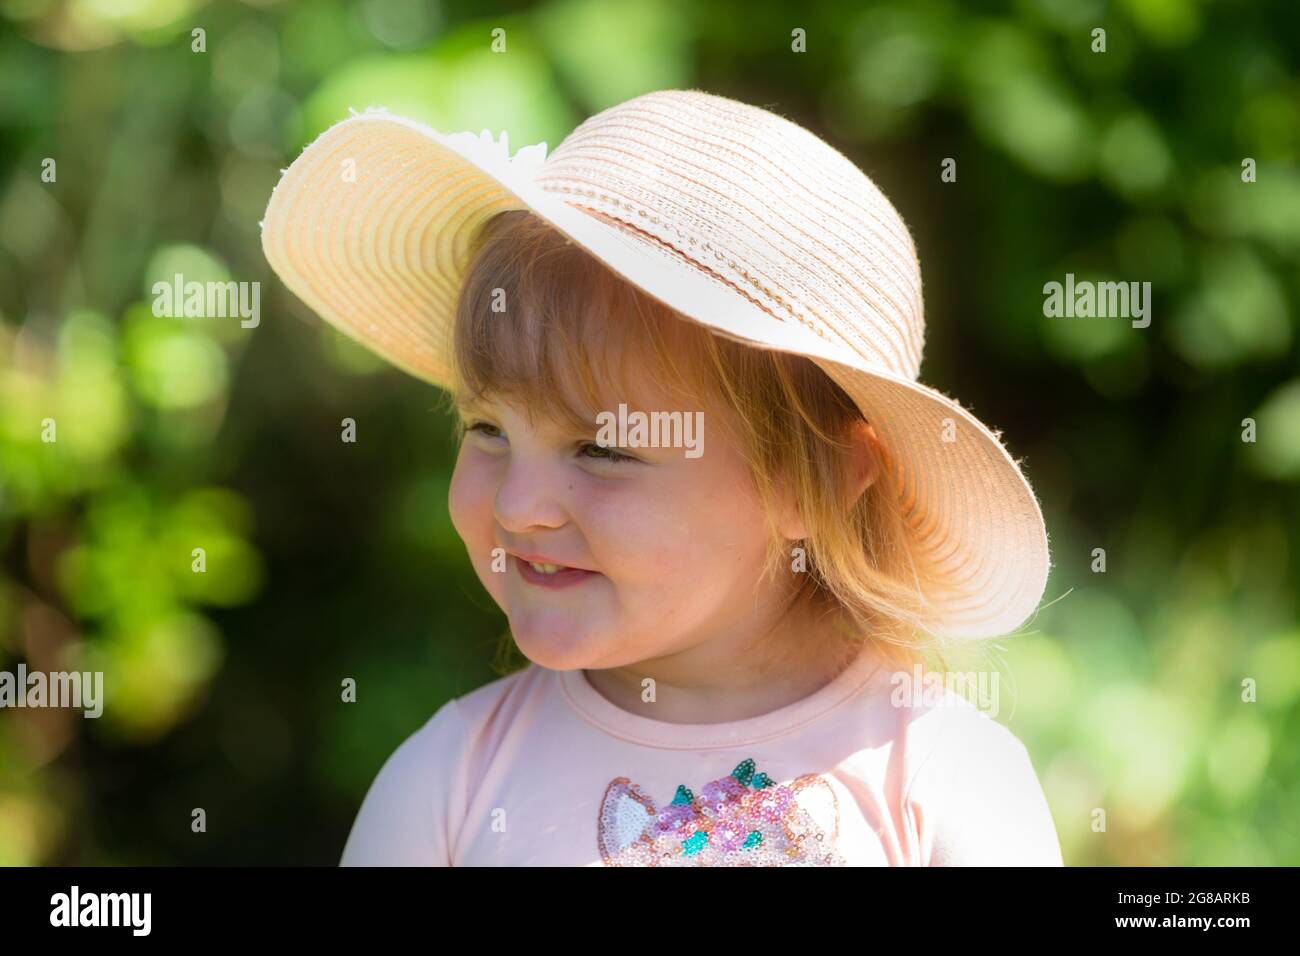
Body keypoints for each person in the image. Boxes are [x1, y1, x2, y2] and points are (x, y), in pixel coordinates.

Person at [260, 89, 1062, 866]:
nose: (519, 506)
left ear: (810, 478)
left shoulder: (939, 775)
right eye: (486, 429)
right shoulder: (451, 781)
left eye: (603, 449)